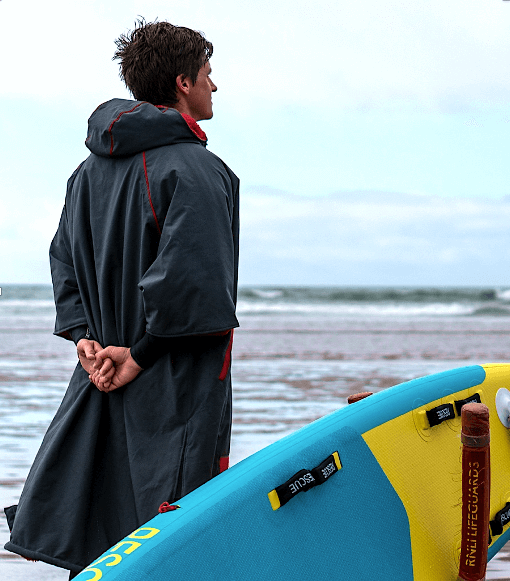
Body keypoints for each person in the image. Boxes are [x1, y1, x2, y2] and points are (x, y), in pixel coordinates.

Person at [4, 19, 239, 579]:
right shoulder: (198, 169)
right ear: (183, 82)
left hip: (101, 372)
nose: (216, 86)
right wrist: (138, 354)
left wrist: (86, 340)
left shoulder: (86, 172)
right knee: (172, 537)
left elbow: (63, 260)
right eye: (209, 74)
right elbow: (193, 283)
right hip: (171, 384)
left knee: (107, 539)